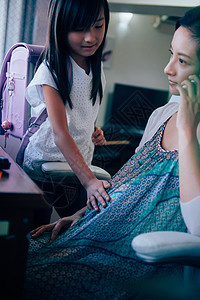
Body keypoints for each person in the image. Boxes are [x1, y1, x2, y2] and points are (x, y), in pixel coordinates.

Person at [23, 6, 200, 299]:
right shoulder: (163, 114)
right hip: (101, 228)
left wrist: (187, 128)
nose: (168, 69)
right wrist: (82, 216)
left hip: (137, 261)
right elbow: (129, 180)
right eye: (170, 54)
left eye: (182, 60)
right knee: (22, 251)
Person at [22, 0, 111, 227]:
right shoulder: (51, 69)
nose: (90, 37)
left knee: (74, 230)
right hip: (45, 166)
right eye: (80, 28)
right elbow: (60, 133)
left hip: (76, 166)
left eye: (98, 26)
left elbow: (80, 113)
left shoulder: (96, 68)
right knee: (34, 232)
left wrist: (92, 129)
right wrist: (90, 182)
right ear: (61, 27)